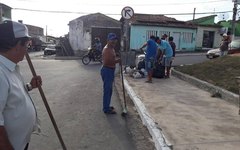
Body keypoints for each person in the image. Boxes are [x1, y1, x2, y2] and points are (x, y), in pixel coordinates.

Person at [0, 20, 42, 150]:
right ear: (17, 45)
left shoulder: (11, 67)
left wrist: (30, 86)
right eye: (27, 45)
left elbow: (10, 96)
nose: (27, 50)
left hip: (20, 143)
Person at [101, 33, 120, 114]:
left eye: (115, 40)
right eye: (112, 40)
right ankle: (106, 108)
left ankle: (107, 105)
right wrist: (117, 61)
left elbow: (112, 58)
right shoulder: (107, 49)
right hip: (107, 70)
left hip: (110, 71)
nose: (114, 41)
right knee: (107, 90)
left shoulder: (111, 48)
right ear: (108, 40)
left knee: (109, 90)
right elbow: (107, 62)